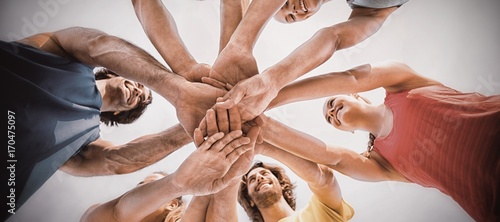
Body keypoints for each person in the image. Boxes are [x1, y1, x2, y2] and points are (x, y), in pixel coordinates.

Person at [2, 25, 229, 218]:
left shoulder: (83, 140)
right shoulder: (59, 52)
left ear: (121, 114)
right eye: (141, 85)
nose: (140, 92)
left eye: (140, 101)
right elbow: (98, 45)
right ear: (114, 73)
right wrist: (178, 90)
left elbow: (117, 160)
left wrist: (202, 122)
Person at [257, 61, 500, 221]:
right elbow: (335, 159)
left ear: (356, 96)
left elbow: (351, 77)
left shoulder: (402, 85)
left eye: (331, 103)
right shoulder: (381, 162)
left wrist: (269, 97)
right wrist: (262, 128)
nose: (331, 112)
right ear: (346, 132)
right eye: (330, 119)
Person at [209, 0, 410, 121]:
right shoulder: (370, 11)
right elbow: (332, 38)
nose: (292, 10)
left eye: (285, 3)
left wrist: (239, 46)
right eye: (291, 18)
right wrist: (271, 85)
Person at [80, 106, 260, 222]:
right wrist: (175, 185)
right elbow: (115, 214)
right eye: (142, 186)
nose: (140, 190)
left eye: (148, 184)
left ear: (172, 205)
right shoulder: (98, 213)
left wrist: (231, 177)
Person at [237, 141, 354, 222]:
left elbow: (325, 178)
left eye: (264, 173)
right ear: (249, 200)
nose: (259, 178)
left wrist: (264, 146)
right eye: (252, 179)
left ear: (282, 185)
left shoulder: (320, 211)